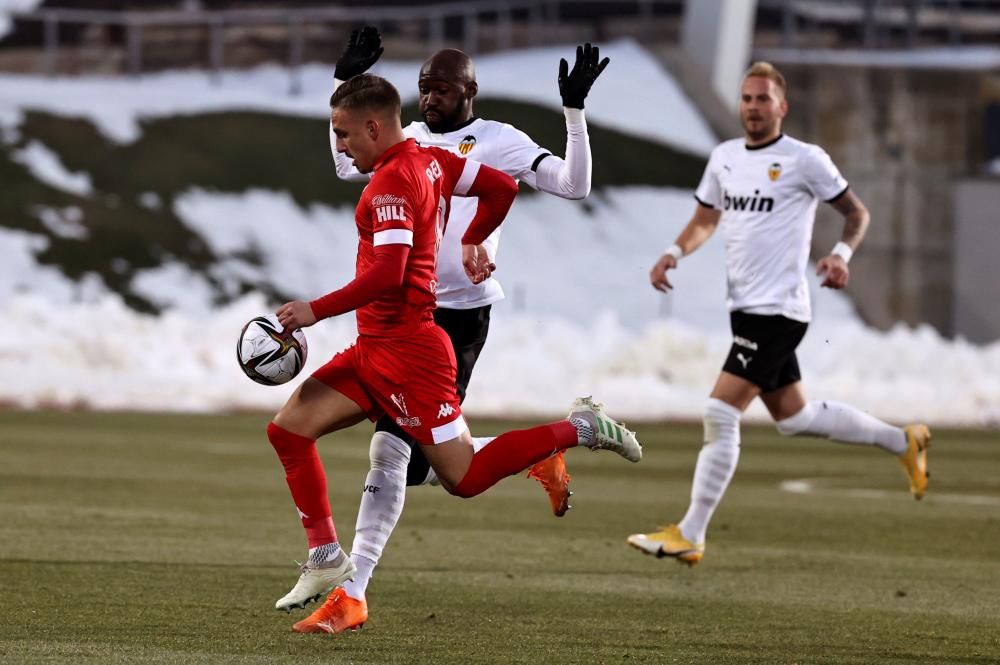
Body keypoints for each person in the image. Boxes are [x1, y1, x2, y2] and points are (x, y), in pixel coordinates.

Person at [264, 73, 641, 631]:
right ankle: (325, 558)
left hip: (412, 354)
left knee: (461, 477)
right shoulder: (429, 159)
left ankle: (580, 428)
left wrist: (313, 310)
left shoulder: (391, 186)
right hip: (374, 348)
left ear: (374, 127)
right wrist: (472, 239)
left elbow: (389, 273)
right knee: (288, 430)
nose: (340, 149)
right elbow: (500, 190)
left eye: (343, 135)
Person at [627, 61, 931, 566]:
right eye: (746, 98)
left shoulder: (804, 159)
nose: (752, 107)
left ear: (781, 107)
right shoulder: (724, 158)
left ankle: (691, 533)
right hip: (744, 310)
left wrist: (841, 255)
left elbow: (857, 213)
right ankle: (904, 440)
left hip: (781, 311)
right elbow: (706, 218)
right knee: (795, 418)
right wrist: (674, 253)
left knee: (720, 412)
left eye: (762, 99)